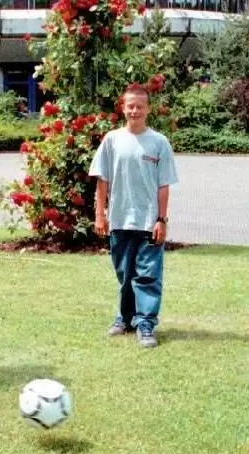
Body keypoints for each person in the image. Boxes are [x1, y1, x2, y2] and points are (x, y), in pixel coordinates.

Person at [89, 84, 179, 348]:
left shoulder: (159, 142)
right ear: (122, 108)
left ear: (148, 109)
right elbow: (102, 181)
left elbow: (164, 186)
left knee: (148, 275)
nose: (135, 110)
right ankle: (125, 318)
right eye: (130, 106)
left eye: (140, 106)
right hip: (119, 220)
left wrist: (161, 219)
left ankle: (146, 323)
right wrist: (100, 215)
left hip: (149, 222)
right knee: (125, 273)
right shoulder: (112, 140)